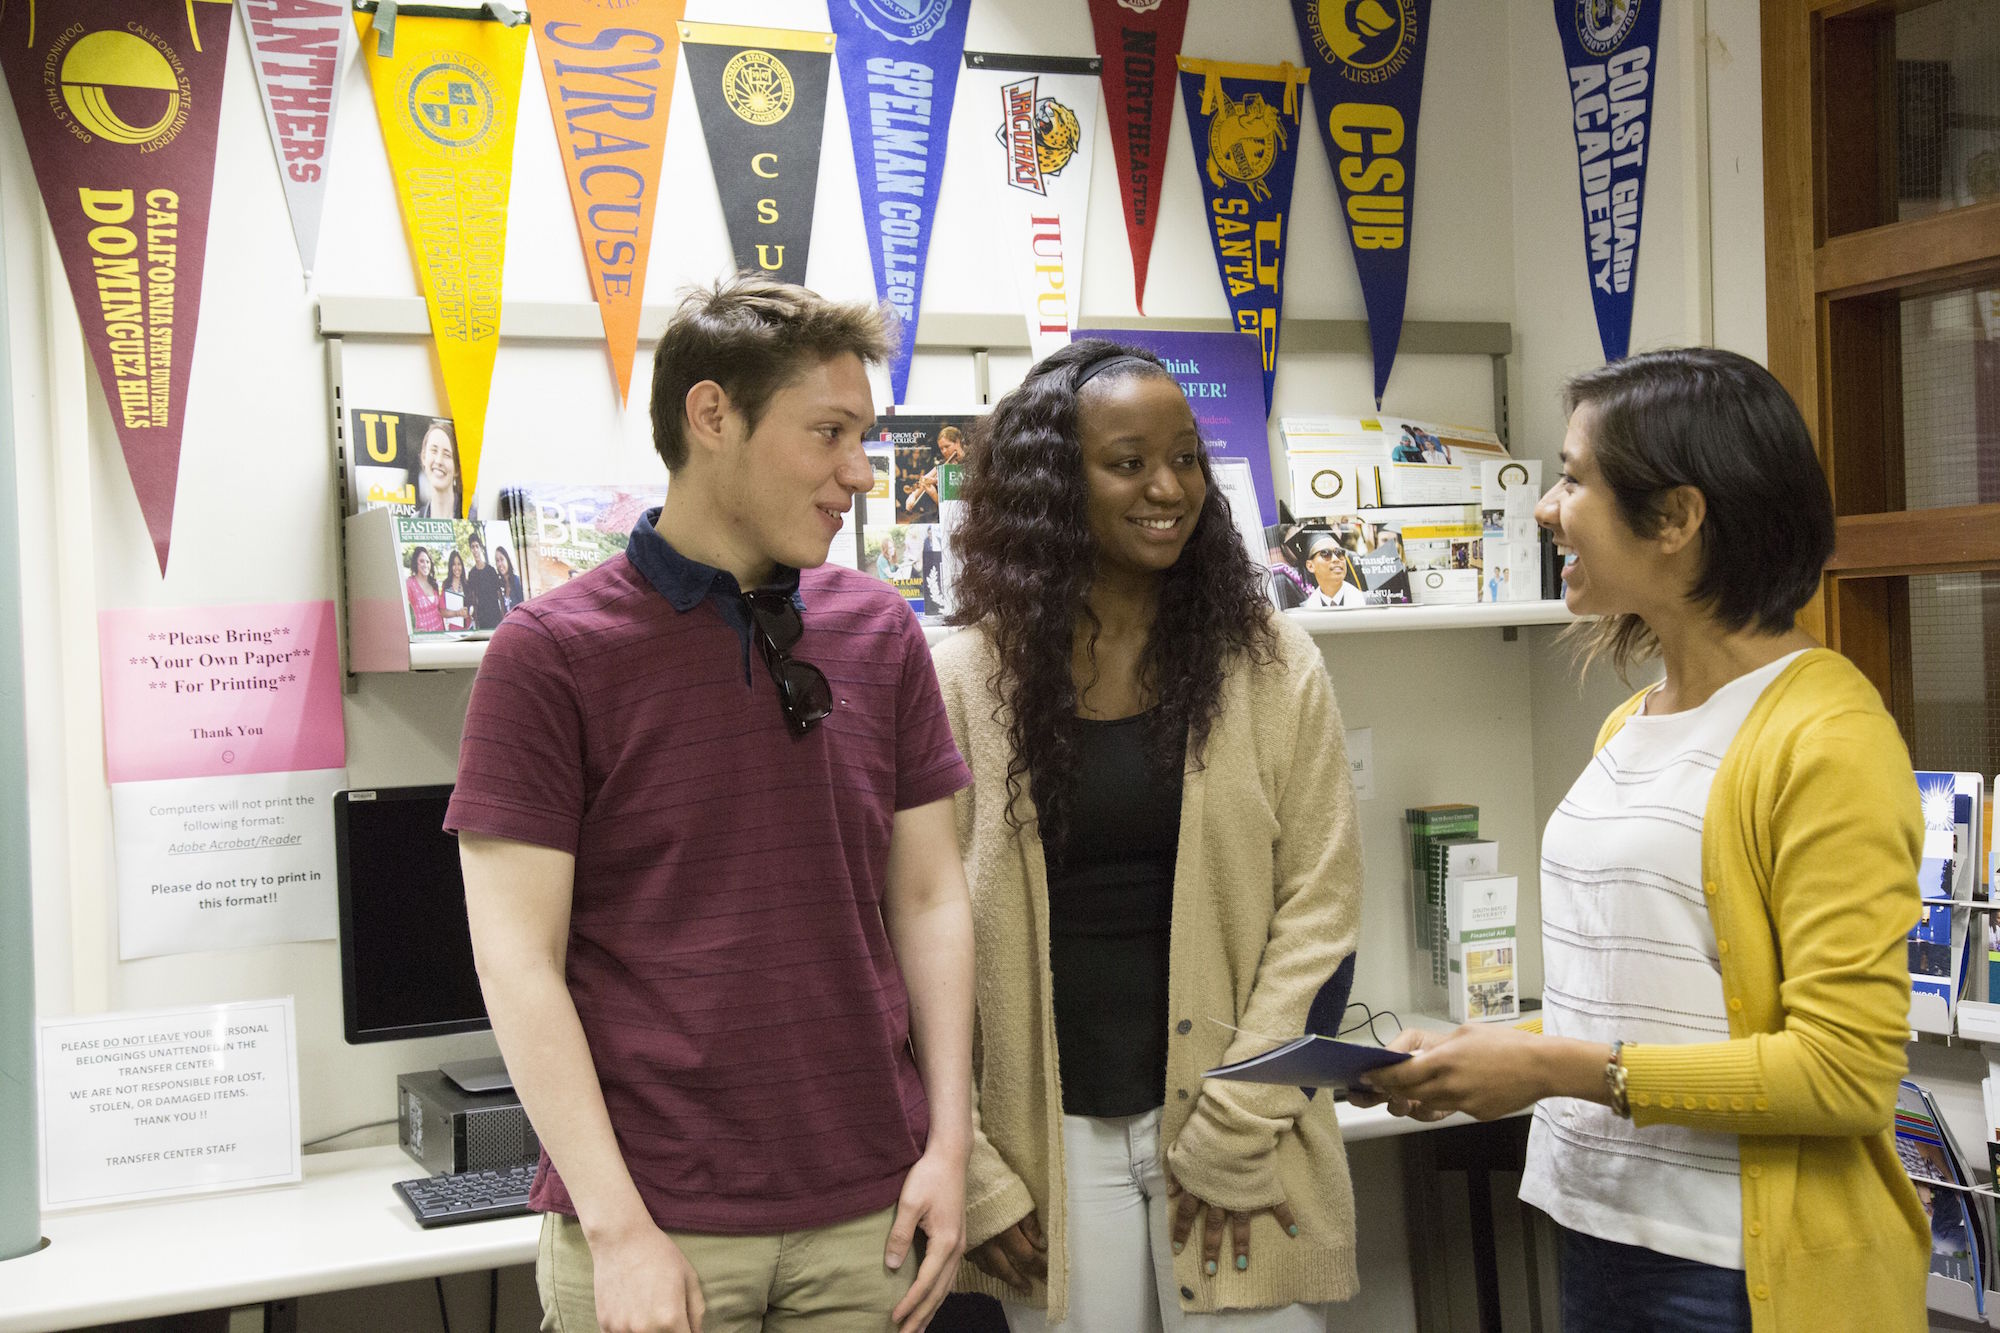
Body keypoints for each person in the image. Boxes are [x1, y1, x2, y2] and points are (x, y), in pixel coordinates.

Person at [1356, 347, 1927, 1332]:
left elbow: (1842, 1069)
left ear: (1676, 517)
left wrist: (1544, 1070)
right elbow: (1646, 1007)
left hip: (1732, 1277)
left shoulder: (1825, 738)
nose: (1543, 506)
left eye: (1573, 477)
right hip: (1598, 1235)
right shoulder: (1632, 724)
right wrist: (1482, 1048)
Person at [446, 273, 976, 1333]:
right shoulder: (550, 655)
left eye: (861, 437)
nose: (857, 473)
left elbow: (927, 899)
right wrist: (616, 1230)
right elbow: (516, 959)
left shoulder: (879, 631)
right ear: (712, 415)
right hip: (658, 1227)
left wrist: (949, 1147)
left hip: (868, 1212)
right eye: (828, 433)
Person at [935, 339, 1364, 1332]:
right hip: (1043, 1145)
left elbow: (1321, 908)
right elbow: (903, 937)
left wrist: (1238, 1125)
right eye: (1126, 462)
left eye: (1183, 457)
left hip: (1233, 1139)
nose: (1166, 487)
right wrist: (975, 1166)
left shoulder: (1271, 663)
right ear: (1052, 483)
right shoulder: (959, 679)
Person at [415, 420, 473, 520]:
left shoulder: (473, 518)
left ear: (457, 469)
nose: (439, 461)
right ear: (424, 457)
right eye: (434, 451)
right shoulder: (414, 522)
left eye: (447, 455)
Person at [1298, 534, 1366, 609]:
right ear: (1310, 566)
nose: (1336, 559)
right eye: (1326, 553)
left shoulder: (1367, 603)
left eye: (1339, 553)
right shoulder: (1305, 611)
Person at [465, 535, 504, 630]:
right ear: (471, 550)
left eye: (477, 546)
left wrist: (504, 616)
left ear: (481, 548)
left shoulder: (491, 570)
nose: (475, 550)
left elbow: (499, 595)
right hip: (482, 619)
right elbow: (473, 598)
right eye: (472, 547)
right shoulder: (471, 574)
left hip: (496, 616)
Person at [404, 545, 444, 634]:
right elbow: (400, 609)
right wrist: (412, 630)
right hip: (424, 638)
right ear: (416, 563)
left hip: (440, 633)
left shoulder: (434, 583)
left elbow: (439, 611)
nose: (425, 565)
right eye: (421, 561)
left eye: (428, 562)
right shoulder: (410, 583)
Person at [439, 548, 472, 632]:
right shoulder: (446, 585)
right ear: (450, 566)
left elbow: (472, 607)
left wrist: (469, 612)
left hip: (468, 628)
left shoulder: (467, 584)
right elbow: (442, 611)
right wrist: (457, 613)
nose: (457, 567)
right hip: (454, 630)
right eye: (454, 564)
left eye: (459, 564)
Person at [492, 544, 525, 613]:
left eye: (501, 559)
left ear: (507, 560)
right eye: (497, 561)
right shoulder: (501, 585)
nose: (500, 564)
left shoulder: (517, 581)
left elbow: (524, 605)